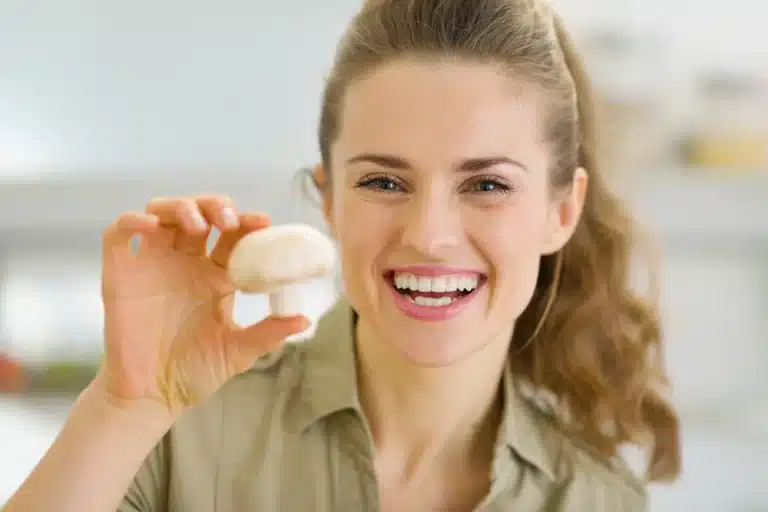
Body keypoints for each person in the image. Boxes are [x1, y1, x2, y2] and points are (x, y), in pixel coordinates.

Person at [6, 0, 682, 510]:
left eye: (487, 185)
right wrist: (126, 407)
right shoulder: (184, 430)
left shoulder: (598, 500)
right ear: (327, 199)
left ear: (561, 211)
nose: (429, 234)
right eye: (384, 182)